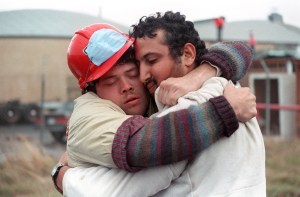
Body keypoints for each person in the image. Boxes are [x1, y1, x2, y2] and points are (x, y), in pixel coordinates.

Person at [53, 21, 257, 196]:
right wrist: (227, 109)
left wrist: (201, 74)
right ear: (92, 90)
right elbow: (145, 144)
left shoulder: (163, 92)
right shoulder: (87, 118)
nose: (127, 86)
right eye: (110, 81)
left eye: (132, 72)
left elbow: (241, 49)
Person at [127, 11, 265, 196]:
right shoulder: (229, 86)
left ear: (188, 54)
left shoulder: (186, 108)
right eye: (138, 65)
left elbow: (133, 160)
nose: (143, 76)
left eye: (152, 60)